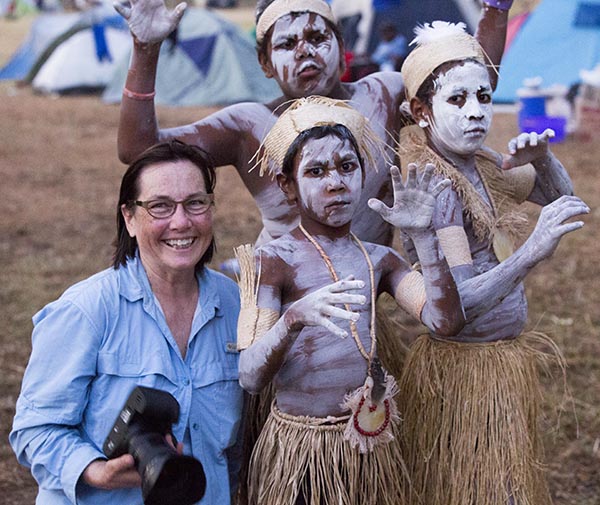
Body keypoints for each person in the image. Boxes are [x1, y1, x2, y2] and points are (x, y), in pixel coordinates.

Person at [113, 0, 512, 248]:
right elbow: (138, 151)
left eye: (317, 37)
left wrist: (496, 9)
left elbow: (468, 87)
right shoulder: (249, 125)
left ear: (341, 51)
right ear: (266, 64)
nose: (305, 51)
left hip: (368, 294)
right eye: (287, 44)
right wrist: (145, 50)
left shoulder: (383, 95)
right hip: (286, 298)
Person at [395, 21, 589, 505]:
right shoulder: (437, 189)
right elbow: (458, 305)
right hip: (466, 372)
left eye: (483, 96)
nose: (477, 112)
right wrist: (529, 253)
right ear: (421, 111)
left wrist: (543, 159)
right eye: (457, 100)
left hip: (499, 367)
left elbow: (563, 200)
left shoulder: (480, 163)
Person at [235, 96, 465, 505]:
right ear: (288, 185)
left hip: (368, 445)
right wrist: (293, 320)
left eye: (347, 166)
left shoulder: (380, 260)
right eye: (316, 171)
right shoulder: (272, 262)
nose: (336, 182)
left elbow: (445, 322)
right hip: (302, 452)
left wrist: (425, 238)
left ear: (362, 173)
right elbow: (250, 376)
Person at [10, 140, 244, 505]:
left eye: (195, 203)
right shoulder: (86, 310)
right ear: (129, 218)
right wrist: (96, 472)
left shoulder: (238, 306)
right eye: (160, 206)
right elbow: (34, 430)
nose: (181, 222)